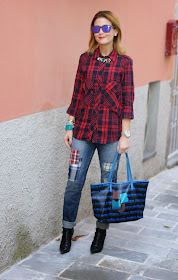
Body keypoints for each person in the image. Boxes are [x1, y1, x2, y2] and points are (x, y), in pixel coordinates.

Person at [60, 10, 134, 255]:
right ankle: (67, 232)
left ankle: (100, 233)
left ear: (115, 31)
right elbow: (77, 94)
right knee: (73, 183)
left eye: (105, 27)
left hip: (111, 135)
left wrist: (126, 135)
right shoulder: (85, 59)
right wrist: (69, 126)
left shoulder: (125, 63)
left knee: (108, 185)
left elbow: (127, 102)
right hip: (82, 132)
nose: (100, 32)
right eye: (96, 28)